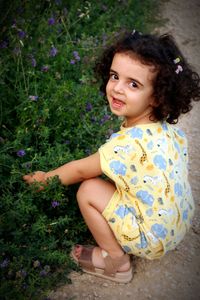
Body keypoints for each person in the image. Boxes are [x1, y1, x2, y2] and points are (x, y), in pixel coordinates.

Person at [23, 30, 200, 283]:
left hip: (150, 237)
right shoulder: (170, 131)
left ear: (158, 95)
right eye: (114, 76)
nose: (116, 88)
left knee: (88, 190)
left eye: (133, 84)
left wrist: (45, 179)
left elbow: (81, 170)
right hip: (175, 225)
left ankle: (117, 263)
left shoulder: (127, 146)